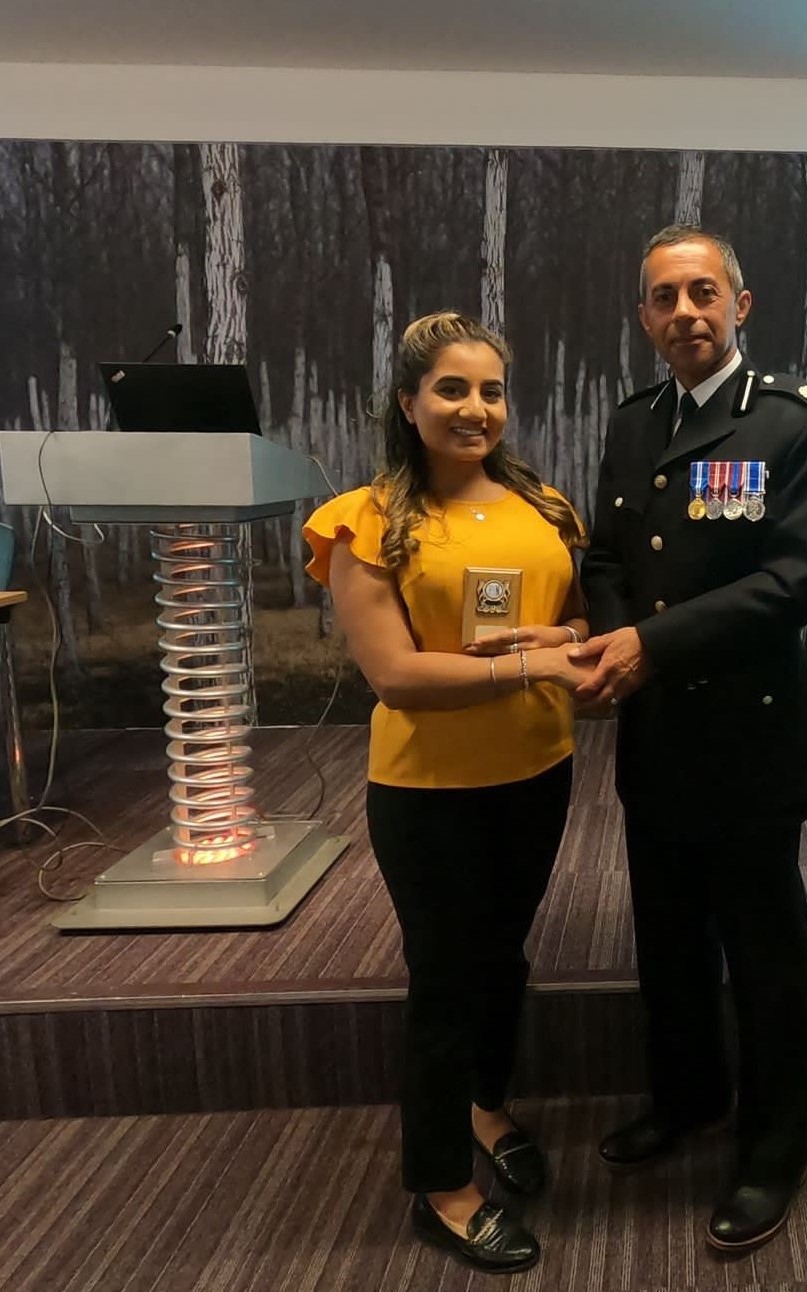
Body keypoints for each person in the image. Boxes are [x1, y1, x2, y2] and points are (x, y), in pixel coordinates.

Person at [572, 224, 807, 1253]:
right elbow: (606, 551)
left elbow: (799, 577)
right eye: (662, 298)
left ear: (742, 303)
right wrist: (608, 638)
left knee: (764, 950)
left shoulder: (799, 422)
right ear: (644, 318)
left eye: (702, 292)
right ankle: (687, 1096)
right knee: (669, 937)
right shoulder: (634, 421)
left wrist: (646, 642)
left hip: (748, 733)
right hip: (654, 730)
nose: (684, 311)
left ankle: (773, 1142)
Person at [303, 311, 590, 1276]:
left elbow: (573, 621)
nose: (476, 410)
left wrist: (555, 651)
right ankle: (440, 1186)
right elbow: (397, 677)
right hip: (430, 791)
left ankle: (486, 1102)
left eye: (492, 391)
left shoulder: (544, 506)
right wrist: (530, 666)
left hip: (539, 772)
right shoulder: (366, 521)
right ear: (408, 403)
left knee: (503, 958)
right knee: (443, 980)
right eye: (453, 390)